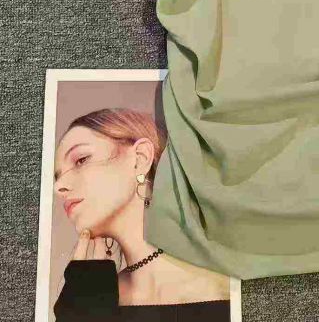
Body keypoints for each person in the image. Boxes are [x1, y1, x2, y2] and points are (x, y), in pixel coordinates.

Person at [53, 108, 231, 321]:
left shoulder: (230, 287)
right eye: (57, 176)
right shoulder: (87, 299)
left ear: (140, 158)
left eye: (81, 159)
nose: (58, 187)